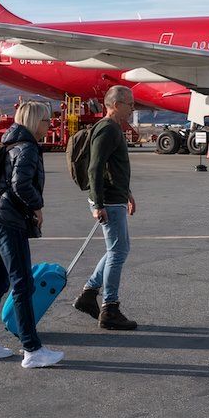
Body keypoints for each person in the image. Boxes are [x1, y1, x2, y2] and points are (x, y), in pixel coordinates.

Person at [0, 101, 65, 369]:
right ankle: (32, 349)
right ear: (36, 122)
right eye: (47, 121)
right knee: (22, 282)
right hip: (8, 220)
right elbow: (20, 185)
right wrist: (37, 206)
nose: (50, 125)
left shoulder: (9, 143)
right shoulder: (26, 149)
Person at [73, 85, 139, 330]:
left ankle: (89, 295)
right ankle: (109, 309)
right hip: (108, 201)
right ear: (116, 104)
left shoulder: (114, 129)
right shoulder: (108, 129)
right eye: (130, 104)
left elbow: (112, 168)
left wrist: (127, 193)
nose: (133, 108)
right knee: (118, 252)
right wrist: (97, 203)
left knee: (118, 249)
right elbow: (95, 167)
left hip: (115, 198)